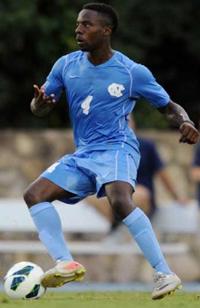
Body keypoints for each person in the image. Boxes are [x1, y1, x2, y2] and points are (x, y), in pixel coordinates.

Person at [23, 3, 199, 300]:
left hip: (118, 146)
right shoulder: (65, 65)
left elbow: (169, 107)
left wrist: (185, 121)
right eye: (78, 24)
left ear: (107, 31)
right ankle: (65, 263)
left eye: (87, 25)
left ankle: (164, 273)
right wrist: (41, 103)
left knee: (119, 199)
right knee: (34, 194)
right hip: (85, 153)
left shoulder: (132, 72)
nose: (79, 30)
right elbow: (40, 106)